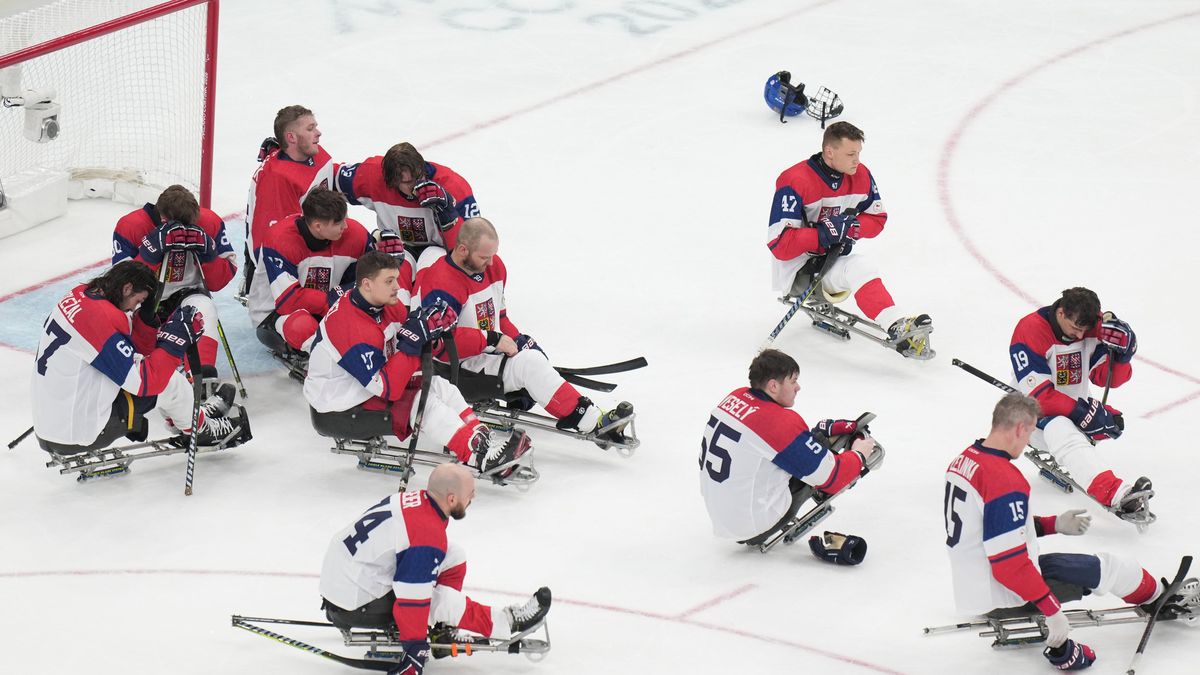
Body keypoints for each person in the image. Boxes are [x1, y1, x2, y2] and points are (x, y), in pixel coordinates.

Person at [943, 393, 1194, 671]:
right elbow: (1009, 565)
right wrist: (1052, 612)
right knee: (1113, 567)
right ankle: (1160, 598)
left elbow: (992, 527)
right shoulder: (1004, 479)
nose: (1028, 443)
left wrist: (1054, 525)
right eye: (1029, 434)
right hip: (1004, 591)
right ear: (1019, 429)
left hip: (972, 586)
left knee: (1073, 566)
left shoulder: (964, 460)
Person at [414, 217, 634, 445]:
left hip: (487, 352)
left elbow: (499, 318)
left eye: (493, 255)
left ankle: (534, 395)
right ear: (462, 250)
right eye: (483, 257)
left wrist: (518, 340)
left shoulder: (495, 267)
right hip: (458, 368)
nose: (490, 263)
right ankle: (593, 423)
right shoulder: (441, 283)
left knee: (532, 356)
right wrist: (493, 339)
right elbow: (440, 344)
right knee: (528, 364)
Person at [305, 251, 530, 474]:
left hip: (361, 387)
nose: (398, 287)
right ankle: (476, 456)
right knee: (422, 403)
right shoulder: (348, 327)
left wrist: (432, 328)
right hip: (337, 406)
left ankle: (481, 440)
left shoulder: (381, 302)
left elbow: (412, 334)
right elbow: (388, 388)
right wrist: (415, 338)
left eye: (396, 278)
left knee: (441, 386)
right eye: (389, 281)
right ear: (367, 284)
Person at [319, 464, 552, 675]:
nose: (474, 496)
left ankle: (443, 629)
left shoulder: (419, 500)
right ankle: (508, 622)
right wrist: (415, 651)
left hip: (349, 581)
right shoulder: (425, 535)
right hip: (353, 604)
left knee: (454, 556)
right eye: (469, 494)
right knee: (441, 601)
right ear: (451, 499)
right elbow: (411, 603)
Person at [31, 260, 239, 454]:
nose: (133, 309)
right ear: (127, 288)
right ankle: (201, 431)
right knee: (171, 382)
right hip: (77, 432)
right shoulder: (101, 319)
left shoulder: (81, 293)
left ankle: (187, 417)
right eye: (138, 301)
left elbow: (133, 349)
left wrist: (146, 321)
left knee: (159, 371)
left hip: (54, 419)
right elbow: (145, 382)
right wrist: (175, 342)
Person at [767, 121, 932, 354]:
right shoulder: (794, 180)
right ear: (829, 152)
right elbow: (779, 244)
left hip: (830, 261)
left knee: (861, 266)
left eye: (859, 153)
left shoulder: (861, 174)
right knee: (858, 266)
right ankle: (896, 325)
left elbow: (877, 218)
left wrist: (851, 227)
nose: (857, 160)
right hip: (798, 269)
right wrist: (824, 233)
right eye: (851, 154)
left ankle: (896, 325)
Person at [699, 348, 879, 544]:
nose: (798, 387)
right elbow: (836, 476)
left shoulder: (735, 395)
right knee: (821, 465)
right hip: (753, 526)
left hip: (723, 516)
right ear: (773, 386)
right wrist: (859, 454)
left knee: (804, 448)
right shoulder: (777, 422)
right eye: (793, 381)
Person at [1009, 287, 1149, 515]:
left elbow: (1106, 379)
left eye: (1086, 329)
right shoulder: (1031, 329)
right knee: (1061, 429)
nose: (1081, 336)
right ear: (1062, 313)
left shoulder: (1095, 327)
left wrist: (1123, 357)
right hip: (1029, 416)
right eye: (1075, 328)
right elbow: (1041, 398)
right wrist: (1084, 414)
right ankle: (1117, 495)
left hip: (1073, 408)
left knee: (1110, 422)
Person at [112, 184, 238, 388]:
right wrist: (148, 254)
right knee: (123, 323)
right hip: (145, 300)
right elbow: (119, 290)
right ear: (162, 219)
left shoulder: (209, 222)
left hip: (187, 295)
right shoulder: (131, 226)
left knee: (205, 307)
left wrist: (210, 255)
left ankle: (201, 382)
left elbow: (218, 282)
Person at [251, 186, 371, 353]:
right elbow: (288, 301)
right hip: (277, 313)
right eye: (338, 222)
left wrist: (390, 256)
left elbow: (374, 277)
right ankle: (318, 360)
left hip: (329, 306)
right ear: (317, 226)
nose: (345, 226)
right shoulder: (281, 240)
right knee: (302, 326)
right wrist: (336, 298)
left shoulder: (355, 234)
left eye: (345, 218)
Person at [243, 104, 336, 310]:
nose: (318, 133)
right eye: (310, 129)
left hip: (315, 236)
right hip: (281, 268)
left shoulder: (313, 154)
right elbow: (273, 241)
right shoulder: (277, 181)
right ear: (291, 138)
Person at [334, 141, 478, 272]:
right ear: (392, 181)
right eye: (408, 182)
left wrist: (448, 215)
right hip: (396, 249)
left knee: (432, 261)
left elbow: (473, 248)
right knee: (390, 269)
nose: (417, 185)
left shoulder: (453, 185)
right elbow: (326, 177)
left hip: (439, 251)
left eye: (419, 176)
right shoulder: (372, 176)